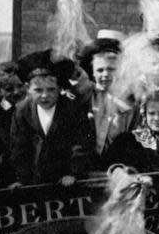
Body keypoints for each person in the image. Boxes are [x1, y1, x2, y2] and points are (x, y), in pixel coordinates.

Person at [10, 51, 95, 186]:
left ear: (59, 88)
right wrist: (21, 179)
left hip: (64, 180)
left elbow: (81, 144)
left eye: (51, 90)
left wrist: (73, 173)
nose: (45, 96)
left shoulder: (72, 109)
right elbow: (19, 148)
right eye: (38, 90)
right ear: (28, 89)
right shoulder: (22, 112)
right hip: (33, 180)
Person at [78, 29, 135, 159]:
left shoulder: (130, 100)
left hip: (119, 165)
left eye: (111, 69)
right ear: (92, 72)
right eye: (100, 70)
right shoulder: (85, 97)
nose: (105, 75)